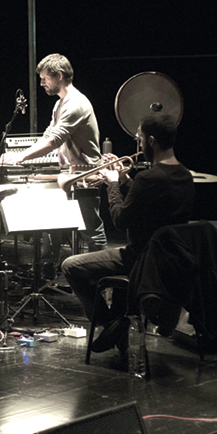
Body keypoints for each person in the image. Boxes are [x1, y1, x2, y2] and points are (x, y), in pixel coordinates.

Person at [61, 114, 194, 352]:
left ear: (151, 140)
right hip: (169, 258)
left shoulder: (148, 178)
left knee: (70, 266)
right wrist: (124, 178)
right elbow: (147, 204)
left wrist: (112, 184)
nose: (139, 146)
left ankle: (111, 323)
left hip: (140, 258)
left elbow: (120, 219)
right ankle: (117, 321)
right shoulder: (184, 175)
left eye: (140, 139)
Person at [1, 54, 107, 277]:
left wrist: (21, 158)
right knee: (53, 225)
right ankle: (47, 272)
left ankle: (102, 279)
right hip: (69, 174)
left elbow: (54, 141)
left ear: (59, 75)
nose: (41, 83)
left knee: (91, 232)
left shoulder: (76, 103)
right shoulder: (60, 104)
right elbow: (48, 135)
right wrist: (18, 155)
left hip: (85, 176)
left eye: (44, 78)